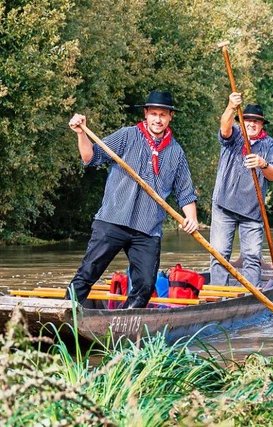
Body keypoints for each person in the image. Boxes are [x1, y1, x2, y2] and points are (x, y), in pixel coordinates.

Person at [65, 90, 199, 309]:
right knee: (87, 273)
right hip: (113, 219)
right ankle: (65, 316)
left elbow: (185, 192)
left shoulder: (176, 152)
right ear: (146, 114)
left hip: (147, 228)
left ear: (170, 117)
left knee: (146, 284)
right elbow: (91, 157)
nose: (158, 119)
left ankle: (126, 323)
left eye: (163, 115)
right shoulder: (127, 135)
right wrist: (81, 134)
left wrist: (191, 218)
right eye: (153, 113)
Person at [209, 92, 273, 287]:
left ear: (262, 125)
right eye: (247, 120)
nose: (251, 124)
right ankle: (218, 294)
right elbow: (224, 128)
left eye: (256, 122)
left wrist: (262, 163)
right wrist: (231, 106)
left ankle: (251, 296)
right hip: (224, 204)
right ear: (242, 121)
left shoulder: (269, 144)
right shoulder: (235, 134)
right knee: (220, 253)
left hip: (252, 210)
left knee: (252, 256)